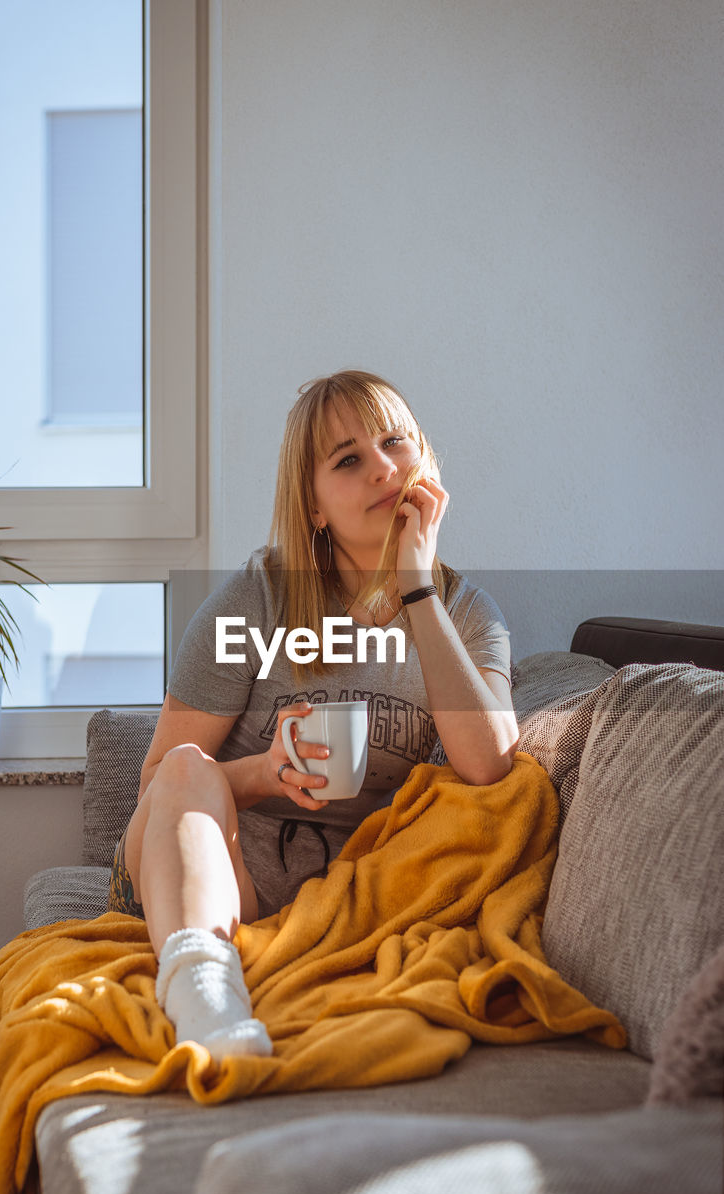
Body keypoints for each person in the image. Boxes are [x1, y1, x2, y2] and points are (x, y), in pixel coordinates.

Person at [107, 370, 519, 1060]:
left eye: (396, 443)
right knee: (184, 764)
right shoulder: (259, 598)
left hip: (340, 903)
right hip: (211, 873)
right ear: (315, 505)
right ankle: (204, 996)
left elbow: (491, 765)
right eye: (349, 459)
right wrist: (266, 775)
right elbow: (158, 787)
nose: (384, 468)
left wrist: (419, 592)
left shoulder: (467, 613)